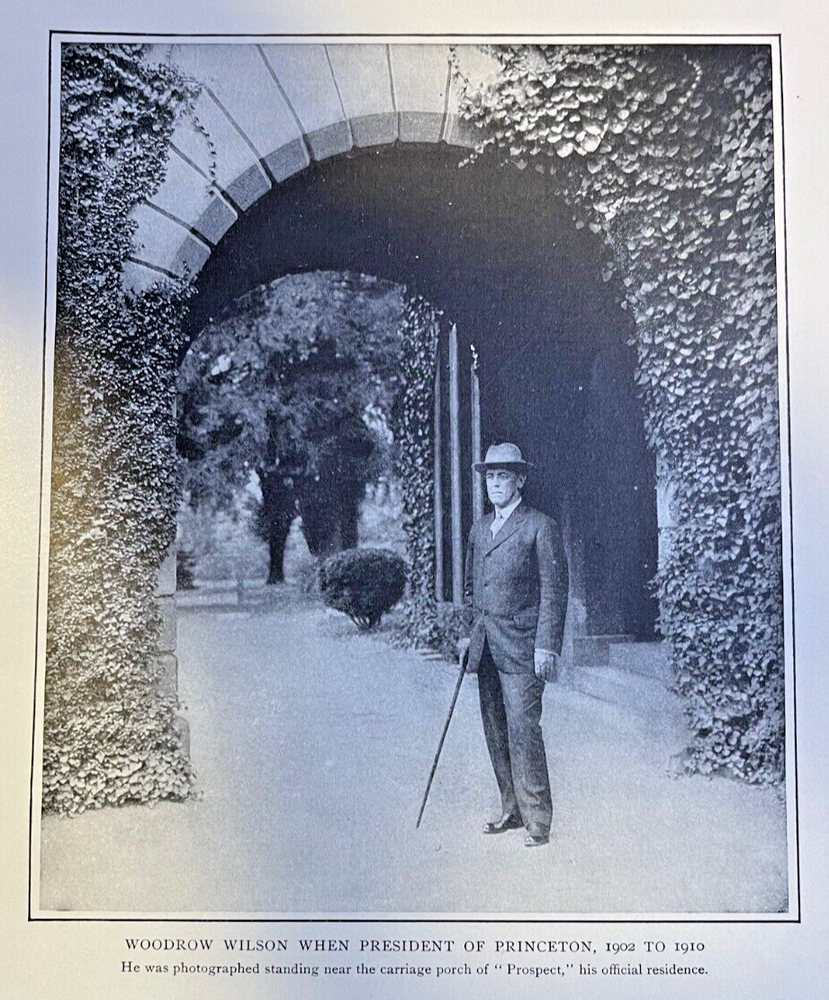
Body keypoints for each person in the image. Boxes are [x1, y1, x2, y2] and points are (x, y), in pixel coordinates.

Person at [457, 442, 569, 848]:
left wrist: (546, 647)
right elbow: (471, 589)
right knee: (496, 730)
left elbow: (554, 592)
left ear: (520, 480)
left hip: (523, 648)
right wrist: (468, 634)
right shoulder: (480, 529)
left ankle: (538, 819)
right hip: (486, 647)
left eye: (503, 476)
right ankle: (512, 808)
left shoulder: (540, 526)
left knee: (523, 730)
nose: (494, 483)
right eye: (490, 476)